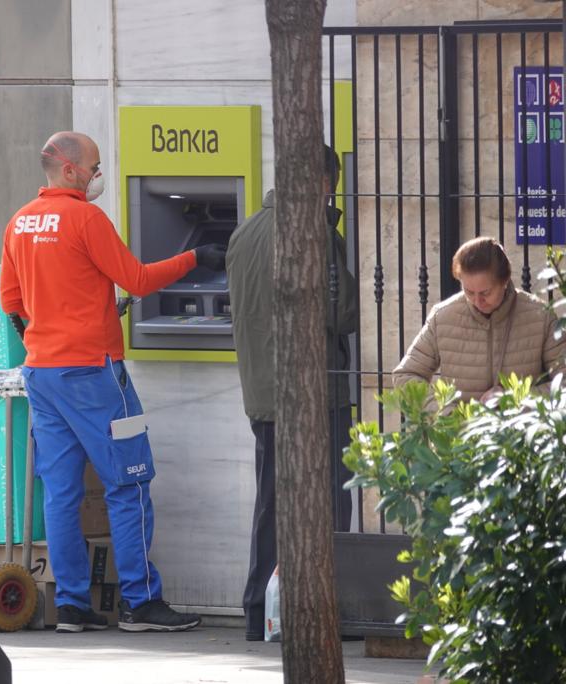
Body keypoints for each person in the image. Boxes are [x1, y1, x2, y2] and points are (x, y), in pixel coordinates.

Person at [0, 131, 227, 633]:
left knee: (61, 493)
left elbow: (11, 303)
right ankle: (141, 603)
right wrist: (197, 258)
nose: (98, 175)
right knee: (129, 483)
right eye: (95, 166)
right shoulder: (86, 218)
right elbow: (139, 280)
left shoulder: (18, 223)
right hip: (95, 375)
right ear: (69, 170)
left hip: (42, 374)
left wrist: (47, 335)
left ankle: (74, 608)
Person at [225, 144, 358, 641]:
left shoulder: (244, 231)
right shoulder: (316, 234)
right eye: (333, 187)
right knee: (331, 503)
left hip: (264, 394)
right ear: (323, 183)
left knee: (271, 505)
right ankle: (327, 612)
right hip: (316, 389)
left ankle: (259, 612)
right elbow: (340, 313)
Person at [394, 236, 566, 401]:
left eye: (485, 293)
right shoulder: (442, 317)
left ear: (504, 281)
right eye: (468, 291)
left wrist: (514, 398)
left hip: (522, 429)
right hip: (459, 429)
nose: (477, 301)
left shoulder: (541, 316)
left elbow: (563, 384)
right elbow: (405, 376)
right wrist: (447, 414)